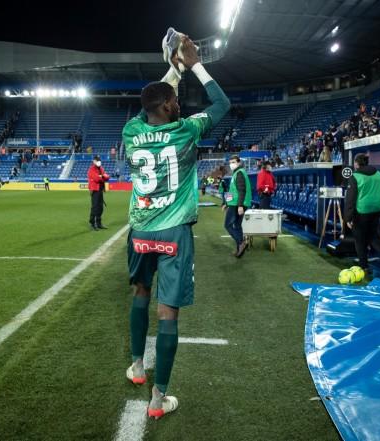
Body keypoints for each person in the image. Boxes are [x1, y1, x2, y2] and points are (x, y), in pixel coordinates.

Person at [121, 35, 230, 419]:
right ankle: (158, 398)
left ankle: (136, 366)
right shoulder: (186, 129)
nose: (178, 101)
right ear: (168, 105)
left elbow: (151, 102)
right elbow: (222, 104)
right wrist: (194, 63)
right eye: (174, 100)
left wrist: (174, 69)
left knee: (140, 292)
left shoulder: (131, 132)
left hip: (140, 231)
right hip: (173, 233)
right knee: (167, 313)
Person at [344, 153, 380, 270]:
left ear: (356, 164)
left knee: (360, 238)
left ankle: (363, 266)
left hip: (361, 211)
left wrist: (348, 217)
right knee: (373, 235)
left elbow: (350, 199)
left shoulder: (355, 177)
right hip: (377, 210)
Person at [224, 155, 251, 257]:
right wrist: (226, 203)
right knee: (237, 225)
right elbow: (232, 191)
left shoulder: (239, 173)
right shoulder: (237, 173)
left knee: (227, 225)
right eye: (230, 162)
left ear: (239, 163)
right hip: (237, 203)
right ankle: (239, 249)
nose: (231, 164)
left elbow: (241, 190)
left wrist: (240, 206)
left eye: (234, 162)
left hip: (237, 204)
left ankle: (241, 243)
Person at [87, 155, 110, 230]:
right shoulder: (91, 169)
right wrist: (102, 176)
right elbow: (97, 178)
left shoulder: (101, 168)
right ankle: (92, 223)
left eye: (99, 160)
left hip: (100, 189)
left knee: (100, 207)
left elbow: (107, 177)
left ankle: (99, 223)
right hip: (94, 190)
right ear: (94, 161)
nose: (98, 162)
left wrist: (102, 176)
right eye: (96, 160)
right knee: (95, 207)